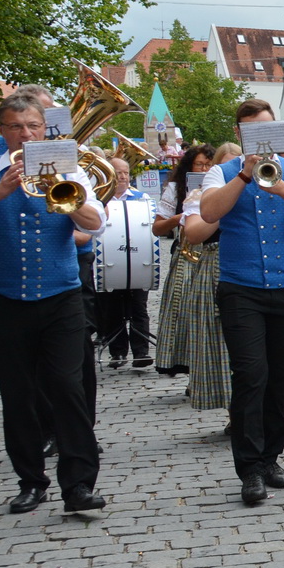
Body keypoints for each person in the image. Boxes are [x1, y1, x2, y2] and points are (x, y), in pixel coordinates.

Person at [188, 99, 284, 507]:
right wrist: (246, 175)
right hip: (241, 289)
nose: (261, 137)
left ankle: (270, 458)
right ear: (239, 135)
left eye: (267, 130)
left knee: (277, 378)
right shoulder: (222, 171)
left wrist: (279, 182)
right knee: (250, 374)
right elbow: (209, 212)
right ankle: (249, 468)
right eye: (251, 131)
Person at [0, 92, 107, 516]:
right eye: (15, 127)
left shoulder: (72, 170)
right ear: (3, 131)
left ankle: (78, 484)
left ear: (45, 129)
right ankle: (30, 481)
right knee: (18, 394)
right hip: (7, 299)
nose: (25, 134)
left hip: (61, 296)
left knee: (67, 387)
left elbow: (95, 225)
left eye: (33, 127)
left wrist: (70, 197)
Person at [180, 143, 241, 420]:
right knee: (218, 341)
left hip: (246, 264)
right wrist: (225, 204)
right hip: (213, 266)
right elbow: (193, 234)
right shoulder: (200, 193)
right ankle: (233, 411)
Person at [152, 145, 216, 377]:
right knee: (183, 313)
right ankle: (185, 366)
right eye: (199, 164)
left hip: (212, 254)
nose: (205, 169)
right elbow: (157, 228)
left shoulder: (219, 186)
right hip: (186, 256)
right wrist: (182, 215)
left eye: (209, 165)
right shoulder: (175, 188)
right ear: (189, 166)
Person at [95, 156, 154, 369]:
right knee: (112, 309)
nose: (122, 176)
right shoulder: (98, 199)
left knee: (139, 307)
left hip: (138, 261)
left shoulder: (141, 198)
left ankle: (141, 352)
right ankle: (117, 353)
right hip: (109, 262)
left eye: (125, 172)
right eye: (117, 172)